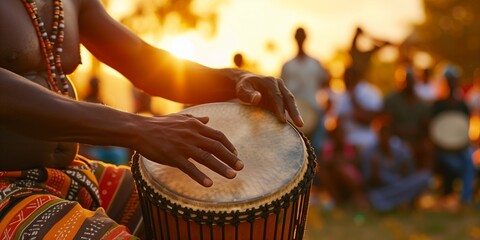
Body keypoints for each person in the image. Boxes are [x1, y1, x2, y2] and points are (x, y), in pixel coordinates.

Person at [0, 0, 304, 239]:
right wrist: (136, 127)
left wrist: (235, 79)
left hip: (74, 173)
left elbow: (143, 61)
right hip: (5, 186)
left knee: (206, 217)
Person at [361, 118, 432, 212]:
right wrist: (375, 172)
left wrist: (405, 170)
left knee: (425, 177)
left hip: (399, 185)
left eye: (387, 133)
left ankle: (388, 201)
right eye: (382, 134)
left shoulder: (401, 150)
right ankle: (398, 201)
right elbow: (369, 182)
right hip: (384, 188)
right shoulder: (369, 153)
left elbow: (409, 174)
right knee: (379, 193)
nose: (385, 137)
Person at [430, 66, 477, 205]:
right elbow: (435, 131)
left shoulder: (463, 105)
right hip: (442, 150)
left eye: (454, 80)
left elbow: (464, 130)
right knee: (454, 165)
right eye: (449, 80)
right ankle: (450, 197)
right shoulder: (437, 105)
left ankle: (466, 199)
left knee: (469, 160)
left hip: (460, 149)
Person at [280, 27, 330, 151]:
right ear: (295, 38)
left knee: (317, 148)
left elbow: (326, 82)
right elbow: (281, 90)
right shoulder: (287, 65)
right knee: (294, 150)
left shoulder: (315, 63)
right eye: (298, 36)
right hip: (292, 114)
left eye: (302, 36)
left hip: (313, 110)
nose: (300, 39)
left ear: (306, 38)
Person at [383, 65, 433, 170]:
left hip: (416, 140)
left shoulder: (422, 104)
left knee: (427, 148)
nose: (408, 84)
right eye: (406, 80)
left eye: (411, 80)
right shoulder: (391, 100)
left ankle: (427, 179)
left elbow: (425, 127)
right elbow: (385, 123)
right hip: (395, 139)